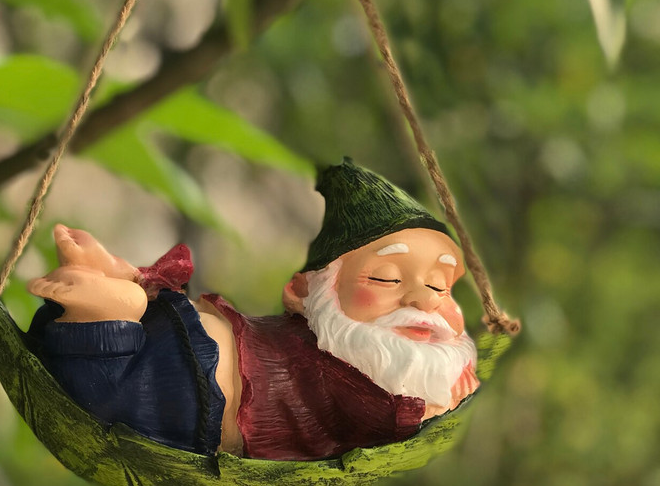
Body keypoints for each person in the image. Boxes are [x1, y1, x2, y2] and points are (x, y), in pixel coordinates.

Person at [27, 159, 480, 461]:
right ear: (302, 294)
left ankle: (114, 287)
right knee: (107, 400)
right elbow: (378, 422)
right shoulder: (355, 380)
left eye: (442, 285)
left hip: (183, 334)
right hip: (189, 398)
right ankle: (110, 303)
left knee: (90, 369)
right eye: (386, 279)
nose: (425, 301)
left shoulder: (326, 342)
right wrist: (432, 405)